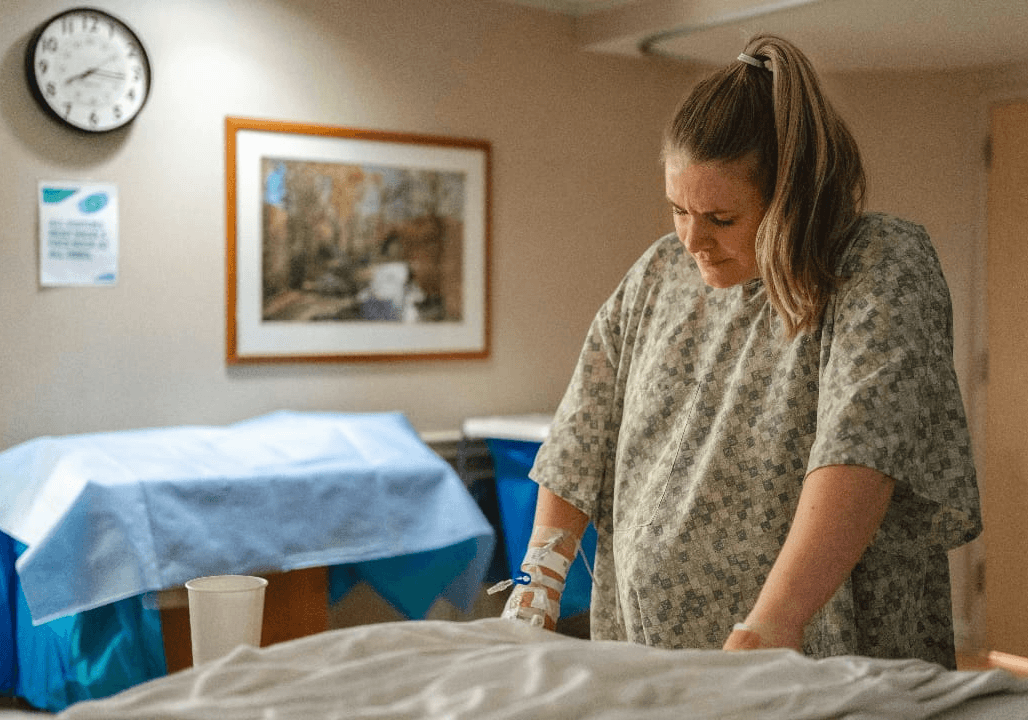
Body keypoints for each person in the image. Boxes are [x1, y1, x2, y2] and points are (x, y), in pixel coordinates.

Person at [499, 33, 982, 669]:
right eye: (678, 210)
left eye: (721, 219)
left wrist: (774, 622)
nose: (692, 240)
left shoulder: (876, 265)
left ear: (795, 198)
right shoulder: (660, 272)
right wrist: (536, 584)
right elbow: (583, 431)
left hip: (810, 655)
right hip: (650, 653)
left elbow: (862, 450)